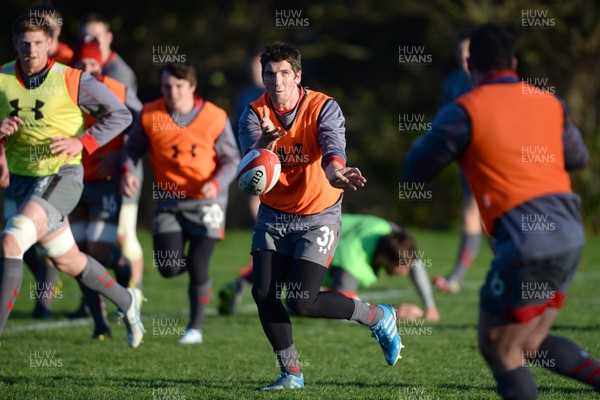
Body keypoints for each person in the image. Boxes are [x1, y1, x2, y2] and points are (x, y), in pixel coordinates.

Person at [402, 24, 599, 399]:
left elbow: (415, 169)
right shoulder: (549, 101)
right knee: (530, 341)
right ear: (513, 62)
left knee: (499, 346)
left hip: (528, 243)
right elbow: (578, 158)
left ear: (470, 64)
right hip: (572, 238)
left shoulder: (464, 110)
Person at [238, 42, 399, 391]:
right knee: (264, 292)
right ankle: (291, 373)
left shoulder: (323, 107)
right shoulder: (254, 113)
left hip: (318, 215)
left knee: (301, 301)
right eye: (269, 74)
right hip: (274, 215)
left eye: (284, 74)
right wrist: (264, 144)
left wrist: (337, 172)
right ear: (263, 77)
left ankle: (377, 316)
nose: (276, 81)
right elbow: (250, 167)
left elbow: (332, 147)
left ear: (297, 76)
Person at [0, 14, 144, 348]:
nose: (31, 50)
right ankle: (127, 300)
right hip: (23, 182)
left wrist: (83, 142)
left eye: (38, 43)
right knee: (68, 259)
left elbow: (121, 114)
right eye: (25, 44)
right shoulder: (3, 79)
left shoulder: (72, 79)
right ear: (15, 45)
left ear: (50, 44)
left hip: (62, 177)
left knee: (11, 240)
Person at [122, 63, 239, 345]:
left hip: (206, 203)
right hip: (168, 202)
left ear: (192, 87)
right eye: (167, 86)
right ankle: (196, 279)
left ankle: (195, 328)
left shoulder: (214, 117)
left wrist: (216, 182)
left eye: (178, 86)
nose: (172, 92)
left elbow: (232, 159)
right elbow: (132, 148)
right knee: (168, 267)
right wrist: (127, 170)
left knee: (199, 266)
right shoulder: (150, 115)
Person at [219, 213, 440, 321]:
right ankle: (241, 287)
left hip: (314, 223)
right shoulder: (353, 265)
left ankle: (236, 285)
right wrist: (391, 312)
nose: (406, 272)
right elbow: (344, 306)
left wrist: (430, 306)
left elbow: (414, 261)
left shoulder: (386, 231)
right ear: (386, 260)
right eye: (403, 268)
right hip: (312, 243)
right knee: (295, 292)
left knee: (277, 268)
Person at [70, 37, 143, 340]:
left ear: (100, 65)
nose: (86, 69)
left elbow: (142, 123)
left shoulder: (117, 90)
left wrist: (123, 157)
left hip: (104, 182)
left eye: (92, 64)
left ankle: (126, 278)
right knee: (76, 254)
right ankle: (100, 323)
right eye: (81, 64)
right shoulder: (64, 89)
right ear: (73, 65)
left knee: (98, 254)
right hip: (70, 180)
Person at [81, 13, 145, 290]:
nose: (89, 40)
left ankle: (134, 292)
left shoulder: (117, 75)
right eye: (84, 35)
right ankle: (93, 302)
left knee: (123, 235)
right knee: (82, 243)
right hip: (88, 172)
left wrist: (122, 158)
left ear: (108, 38)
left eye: (95, 36)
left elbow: (137, 122)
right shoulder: (74, 76)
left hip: (120, 170)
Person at [432, 28, 483, 294]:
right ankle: (457, 278)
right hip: (465, 159)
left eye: (469, 51)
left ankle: (457, 278)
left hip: (489, 160)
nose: (463, 57)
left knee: (484, 214)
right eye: (459, 52)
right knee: (472, 214)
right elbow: (442, 119)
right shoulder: (452, 82)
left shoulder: (488, 81)